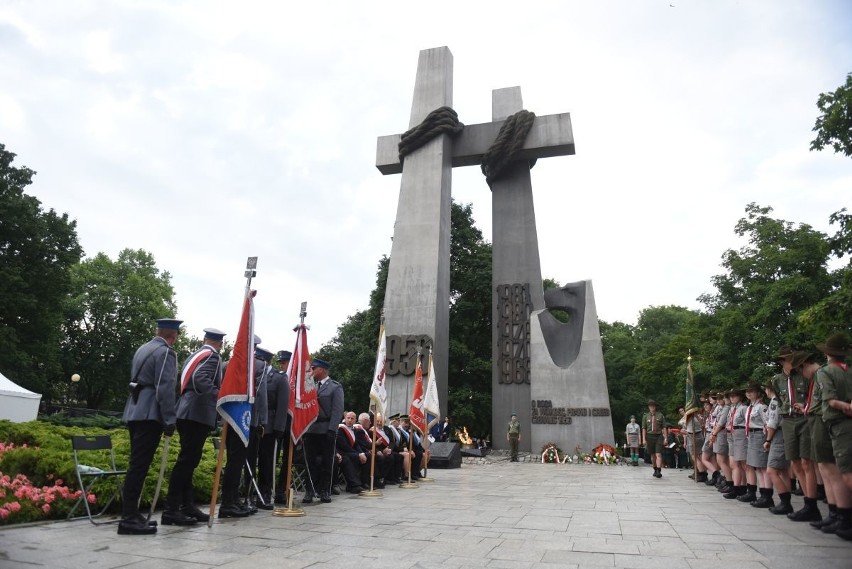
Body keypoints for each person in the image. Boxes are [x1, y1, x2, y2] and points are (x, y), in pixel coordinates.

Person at [118, 318, 181, 535]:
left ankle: (132, 513)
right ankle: (128, 518)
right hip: (150, 413)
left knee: (136, 464)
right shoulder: (166, 353)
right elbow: (164, 388)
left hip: (135, 409)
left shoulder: (143, 348)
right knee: (139, 466)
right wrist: (170, 419)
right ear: (172, 336)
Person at [162, 327, 225, 526]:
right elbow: (200, 379)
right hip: (197, 412)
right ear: (220, 343)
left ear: (204, 339)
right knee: (187, 461)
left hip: (186, 410)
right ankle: (172, 509)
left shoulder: (194, 355)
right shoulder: (213, 357)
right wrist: (219, 395)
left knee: (188, 460)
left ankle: (186, 505)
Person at [815, 332, 852, 540]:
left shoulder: (826, 371)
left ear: (828, 354)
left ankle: (844, 517)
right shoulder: (849, 371)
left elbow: (830, 400)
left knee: (845, 473)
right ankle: (841, 517)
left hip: (839, 423)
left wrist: (846, 407)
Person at [786, 350, 824, 522]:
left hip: (810, 421)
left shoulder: (820, 376)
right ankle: (809, 504)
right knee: (796, 462)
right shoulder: (781, 379)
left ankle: (813, 502)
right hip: (791, 420)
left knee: (808, 462)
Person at [302, 358, 343, 503]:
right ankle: (309, 490)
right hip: (311, 429)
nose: (312, 371)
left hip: (326, 429)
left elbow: (337, 410)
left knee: (327, 462)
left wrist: (332, 429)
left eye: (315, 368)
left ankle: (325, 490)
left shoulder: (335, 387)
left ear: (323, 370)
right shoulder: (310, 386)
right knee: (310, 462)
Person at [258, 350, 290, 509]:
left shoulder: (279, 378)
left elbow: (282, 405)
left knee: (267, 461)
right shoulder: (255, 375)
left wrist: (279, 427)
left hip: (270, 427)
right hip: (253, 424)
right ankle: (252, 492)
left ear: (265, 361)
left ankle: (265, 492)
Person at [763, 379, 793, 514]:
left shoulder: (775, 402)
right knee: (783, 471)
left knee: (772, 470)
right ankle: (786, 502)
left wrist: (768, 440)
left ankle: (784, 501)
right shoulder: (779, 400)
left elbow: (772, 423)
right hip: (783, 434)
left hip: (778, 436)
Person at [742, 383, 770, 507]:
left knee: (763, 466)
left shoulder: (762, 407)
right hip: (751, 436)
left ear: (759, 392)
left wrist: (767, 439)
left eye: (752, 391)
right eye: (747, 391)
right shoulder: (749, 407)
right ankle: (760, 493)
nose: (748, 393)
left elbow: (768, 423)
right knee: (756, 466)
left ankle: (767, 495)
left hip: (760, 435)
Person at [642, 400, 667, 478]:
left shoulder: (660, 415)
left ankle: (659, 471)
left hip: (658, 436)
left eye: (653, 406)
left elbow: (664, 427)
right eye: (650, 406)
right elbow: (644, 428)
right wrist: (643, 439)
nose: (652, 407)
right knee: (652, 455)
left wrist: (665, 438)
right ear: (648, 407)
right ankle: (655, 468)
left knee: (658, 454)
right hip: (649, 436)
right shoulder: (645, 416)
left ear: (655, 407)